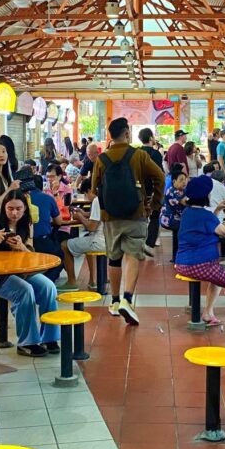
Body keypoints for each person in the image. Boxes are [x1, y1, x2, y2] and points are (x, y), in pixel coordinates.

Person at [91, 117, 164, 325]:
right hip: (136, 214)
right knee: (133, 255)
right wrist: (154, 203)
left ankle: (114, 301)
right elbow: (159, 176)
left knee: (114, 258)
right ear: (126, 133)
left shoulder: (101, 159)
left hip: (110, 217)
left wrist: (105, 205)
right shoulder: (139, 155)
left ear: (110, 136)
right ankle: (127, 299)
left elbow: (94, 187)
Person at [0, 191, 59, 357]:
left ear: (25, 208)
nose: (14, 213)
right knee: (25, 291)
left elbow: (31, 253)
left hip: (19, 272)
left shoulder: (27, 223)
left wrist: (21, 247)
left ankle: (49, 337)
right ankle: (28, 342)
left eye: (19, 209)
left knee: (48, 287)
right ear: (4, 207)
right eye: (10, 208)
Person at [175, 176, 225, 333]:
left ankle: (208, 313)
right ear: (206, 196)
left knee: (217, 277)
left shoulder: (187, 212)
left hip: (183, 263)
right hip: (199, 265)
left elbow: (206, 223)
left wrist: (218, 209)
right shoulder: (206, 217)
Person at [59, 194, 106, 290]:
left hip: (99, 241)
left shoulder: (98, 200)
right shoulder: (109, 196)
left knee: (64, 245)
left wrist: (80, 217)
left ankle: (71, 282)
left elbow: (91, 227)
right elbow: (97, 214)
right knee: (86, 238)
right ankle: (95, 280)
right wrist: (84, 214)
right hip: (111, 240)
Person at [27, 175, 64, 282]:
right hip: (42, 241)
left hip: (24, 241)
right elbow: (59, 221)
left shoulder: (21, 198)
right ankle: (47, 281)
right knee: (60, 256)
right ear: (42, 186)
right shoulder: (48, 198)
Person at [140, 128, 165, 254]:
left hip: (138, 190)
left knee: (140, 217)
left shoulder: (136, 153)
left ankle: (139, 242)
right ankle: (149, 243)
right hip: (152, 189)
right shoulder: (156, 154)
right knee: (154, 216)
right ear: (150, 138)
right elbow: (160, 174)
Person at [161, 165, 189, 263]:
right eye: (181, 180)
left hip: (177, 218)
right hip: (170, 219)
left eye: (185, 180)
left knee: (179, 235)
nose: (184, 182)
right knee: (181, 233)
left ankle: (177, 256)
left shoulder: (182, 190)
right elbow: (185, 202)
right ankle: (177, 257)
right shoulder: (172, 191)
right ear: (174, 181)